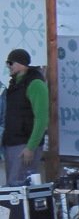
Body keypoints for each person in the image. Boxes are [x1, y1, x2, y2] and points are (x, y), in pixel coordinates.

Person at [1, 49, 48, 185]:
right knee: (12, 186)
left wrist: (31, 147)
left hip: (24, 144)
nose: (8, 66)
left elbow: (42, 118)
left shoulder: (35, 84)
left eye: (10, 63)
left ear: (21, 63)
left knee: (21, 186)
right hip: (12, 143)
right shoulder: (14, 83)